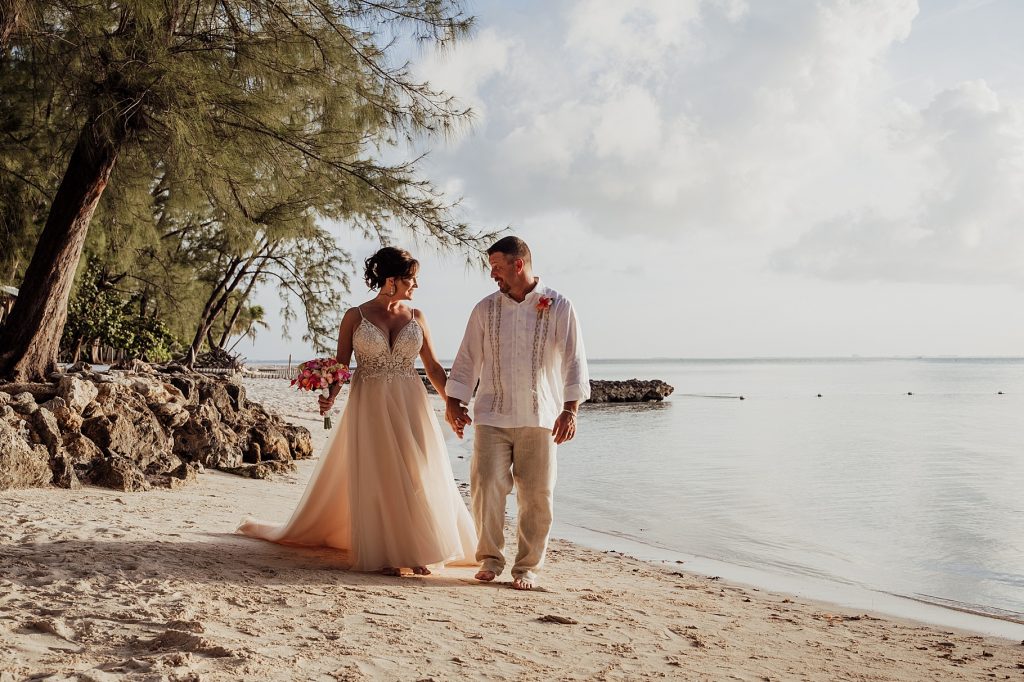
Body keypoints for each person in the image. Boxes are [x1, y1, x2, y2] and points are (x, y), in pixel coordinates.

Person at [238, 247, 477, 576]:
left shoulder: (417, 316)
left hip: (411, 401)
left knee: (416, 470)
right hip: (370, 402)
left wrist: (453, 403)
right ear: (391, 281)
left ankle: (417, 549)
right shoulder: (356, 316)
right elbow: (341, 366)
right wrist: (330, 398)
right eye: (412, 279)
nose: (417, 286)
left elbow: (434, 367)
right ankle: (387, 553)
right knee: (380, 473)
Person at [444, 236, 590, 590]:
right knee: (486, 485)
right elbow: (466, 359)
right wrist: (455, 402)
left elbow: (574, 359)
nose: (492, 274)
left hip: (540, 416)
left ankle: (527, 568)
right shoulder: (485, 309)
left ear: (518, 264)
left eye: (496, 267)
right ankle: (490, 559)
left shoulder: (558, 305)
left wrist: (570, 410)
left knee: (537, 494)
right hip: (492, 414)